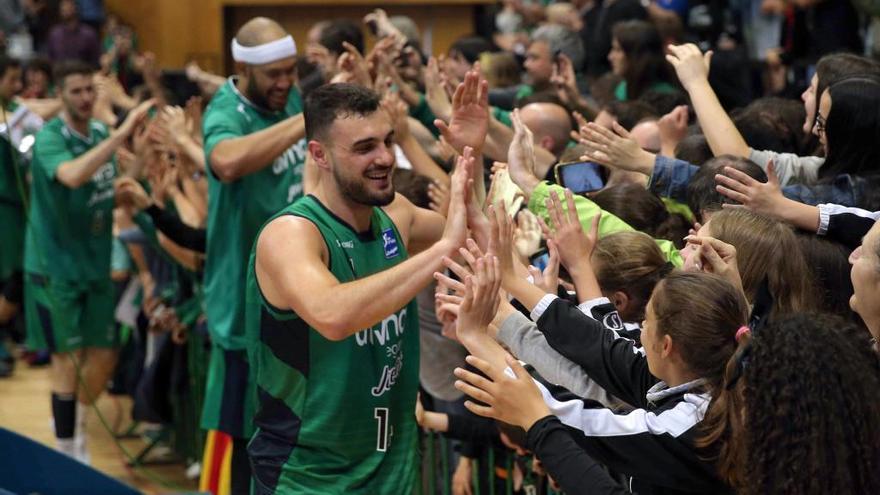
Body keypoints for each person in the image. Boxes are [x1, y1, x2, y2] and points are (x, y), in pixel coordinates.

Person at [244, 82, 475, 494]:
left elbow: (476, 238)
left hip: (395, 468)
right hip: (308, 476)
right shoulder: (292, 234)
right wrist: (442, 249)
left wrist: (467, 156)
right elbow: (333, 315)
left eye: (388, 141)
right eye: (365, 147)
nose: (385, 157)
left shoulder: (396, 215)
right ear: (320, 155)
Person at [23, 60, 152, 463]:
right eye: (76, 91)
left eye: (89, 90)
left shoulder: (98, 133)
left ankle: (73, 426)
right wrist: (120, 135)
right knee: (66, 358)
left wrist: (141, 153)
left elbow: (110, 185)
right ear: (60, 94)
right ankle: (67, 453)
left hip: (94, 263)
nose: (84, 98)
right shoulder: (49, 138)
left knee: (103, 356)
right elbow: (74, 175)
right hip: (54, 267)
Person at [199, 16, 308, 494]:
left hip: (295, 293)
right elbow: (225, 161)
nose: (286, 82)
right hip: (240, 306)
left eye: (291, 71)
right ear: (243, 67)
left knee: (280, 438)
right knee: (237, 440)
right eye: (274, 74)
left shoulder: (291, 98)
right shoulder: (227, 109)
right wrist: (306, 120)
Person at [608, 20, 677, 101]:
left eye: (618, 50)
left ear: (637, 55)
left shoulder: (665, 97)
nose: (610, 57)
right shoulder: (623, 87)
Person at [46, 0, 101, 66]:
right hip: (60, 73)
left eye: (68, 5)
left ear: (76, 8)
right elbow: (50, 59)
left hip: (82, 73)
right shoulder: (54, 34)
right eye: (63, 6)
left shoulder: (89, 34)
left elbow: (96, 60)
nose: (65, 8)